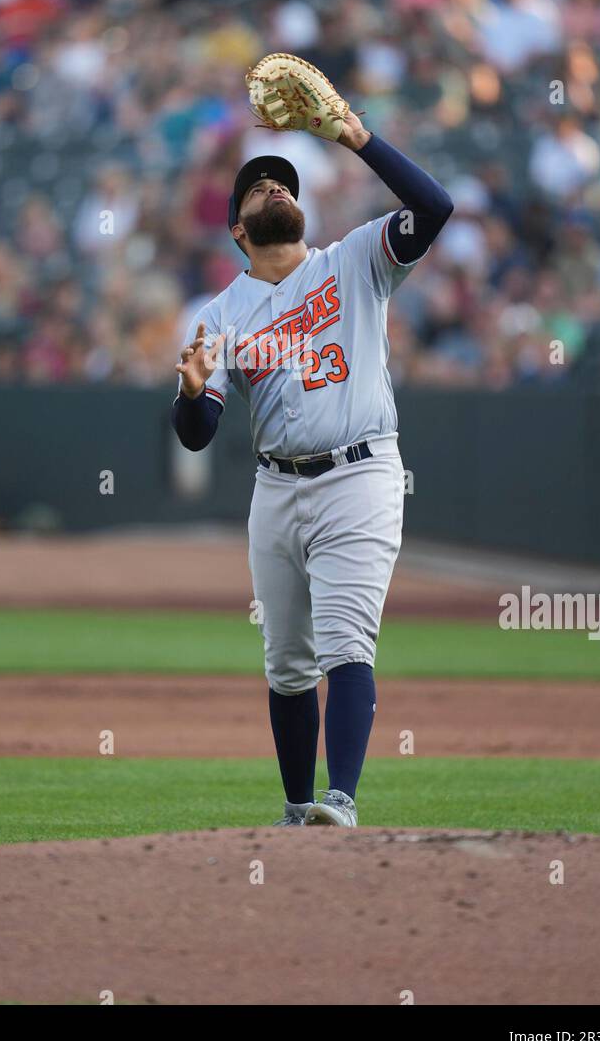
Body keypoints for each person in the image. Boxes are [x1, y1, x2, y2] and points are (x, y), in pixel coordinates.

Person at [170, 104, 453, 827]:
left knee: (346, 638)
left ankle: (340, 801)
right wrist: (192, 390)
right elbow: (199, 434)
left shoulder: (355, 260)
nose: (275, 189)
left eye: (284, 183)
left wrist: (356, 138)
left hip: (360, 475)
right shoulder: (222, 313)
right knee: (287, 663)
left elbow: (435, 205)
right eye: (260, 188)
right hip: (277, 490)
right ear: (238, 228)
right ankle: (298, 810)